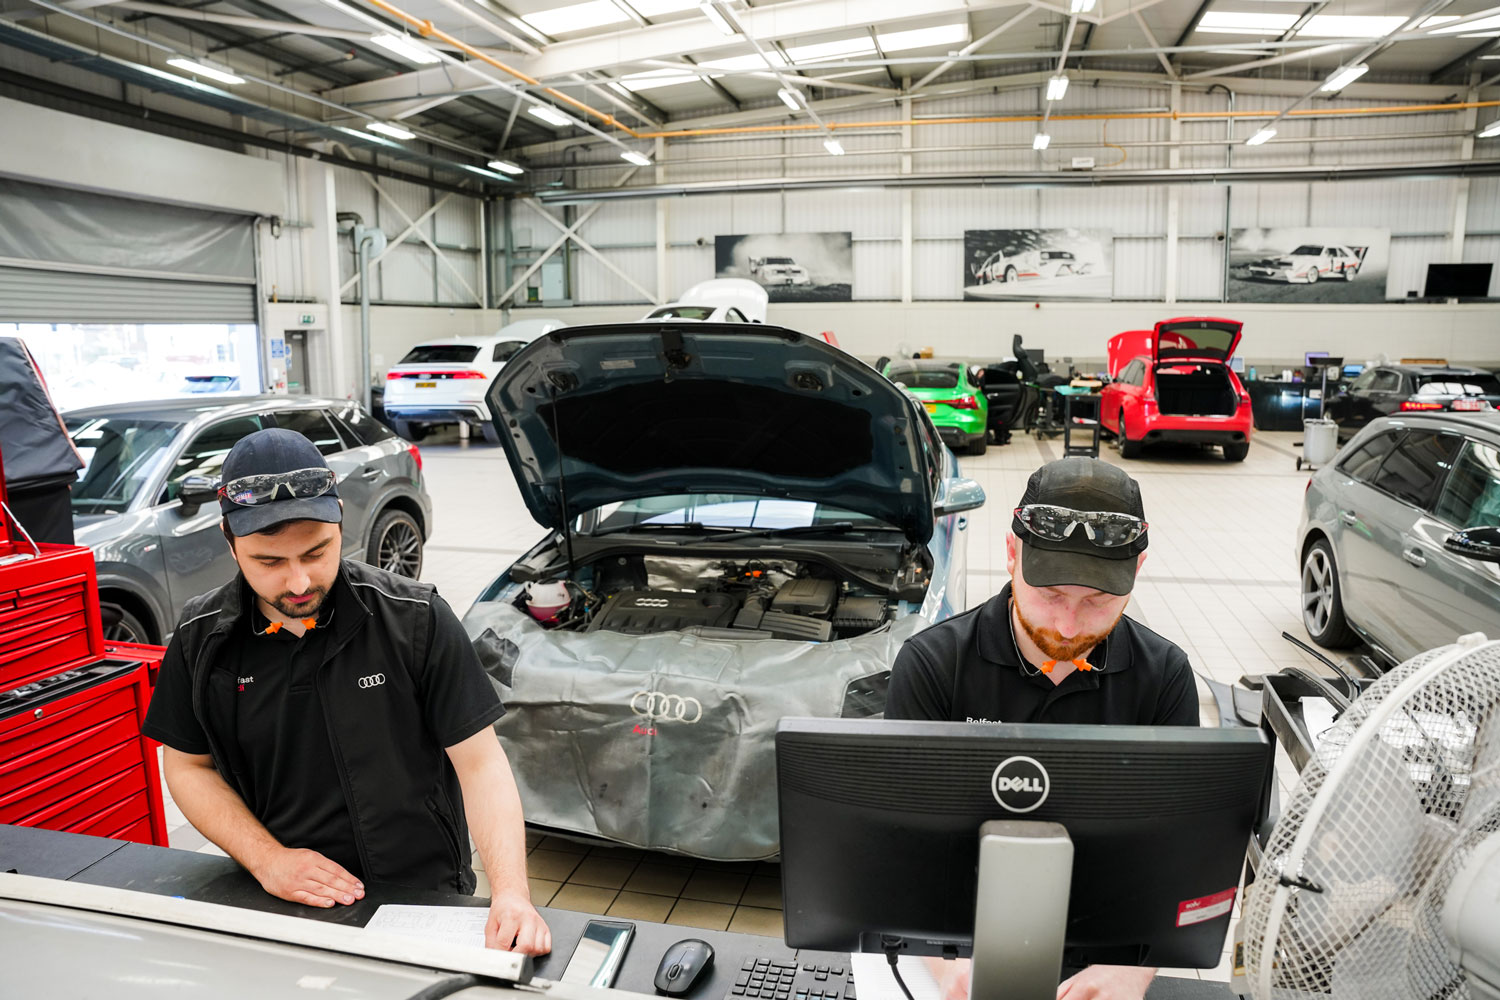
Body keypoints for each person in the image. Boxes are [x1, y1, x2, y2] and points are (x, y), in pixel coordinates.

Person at [142, 428, 550, 955]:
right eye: (269, 562)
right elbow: (186, 767)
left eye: (317, 552)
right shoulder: (201, 640)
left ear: (339, 523)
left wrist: (512, 894)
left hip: (423, 897)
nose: (297, 582)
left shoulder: (416, 619)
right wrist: (267, 860)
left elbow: (480, 763)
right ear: (229, 540)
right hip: (282, 896)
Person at [886, 456, 1199, 1000]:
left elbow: (1180, 853)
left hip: (1106, 943)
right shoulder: (935, 666)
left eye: (1098, 601)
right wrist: (947, 965)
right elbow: (899, 850)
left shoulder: (1164, 678)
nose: (1068, 626)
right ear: (1012, 554)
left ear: (1137, 570)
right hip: (958, 931)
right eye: (1051, 594)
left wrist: (1136, 967)